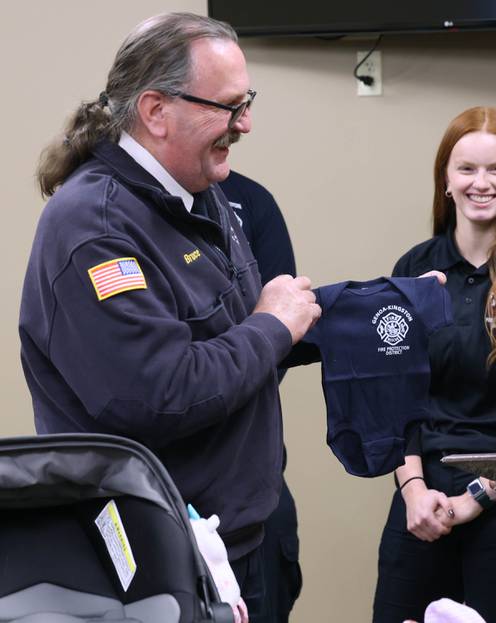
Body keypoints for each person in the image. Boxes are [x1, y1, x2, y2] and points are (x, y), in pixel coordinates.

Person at [19, 12, 320, 621]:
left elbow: (234, 329)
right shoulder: (96, 227)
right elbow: (155, 393)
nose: (246, 124)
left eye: (248, 102)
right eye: (230, 106)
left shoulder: (198, 193)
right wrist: (272, 325)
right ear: (156, 111)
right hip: (158, 569)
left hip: (235, 547)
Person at [372, 106, 496, 623]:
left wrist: (474, 498)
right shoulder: (413, 269)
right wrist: (413, 491)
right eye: (467, 169)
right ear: (446, 181)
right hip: (422, 501)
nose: (483, 183)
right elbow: (396, 396)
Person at [219, 170, 302, 623]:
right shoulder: (116, 208)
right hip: (168, 498)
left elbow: (282, 331)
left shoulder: (248, 203)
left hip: (256, 488)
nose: (242, 122)